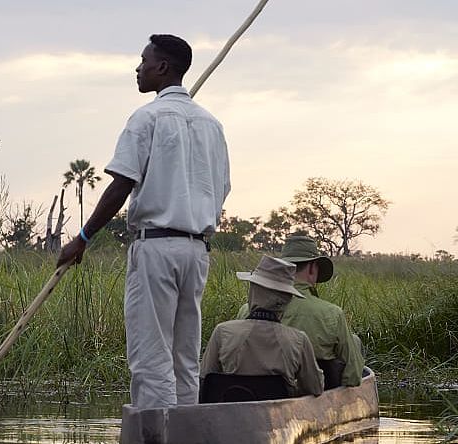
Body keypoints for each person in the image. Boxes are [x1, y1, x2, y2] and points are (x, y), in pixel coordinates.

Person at [57, 34, 231, 409]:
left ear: (162, 67)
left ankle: (158, 434)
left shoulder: (147, 117)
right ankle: (186, 431)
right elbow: (222, 189)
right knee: (184, 357)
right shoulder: (211, 125)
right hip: (197, 250)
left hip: (156, 249)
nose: (138, 68)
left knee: (152, 357)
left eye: (143, 60)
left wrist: (83, 238)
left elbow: (121, 185)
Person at [236, 235, 365, 387]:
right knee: (354, 341)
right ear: (312, 268)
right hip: (312, 391)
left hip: (250, 389)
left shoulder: (246, 311)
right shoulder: (332, 314)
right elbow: (353, 376)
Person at [201, 255, 324, 397]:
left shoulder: (223, 332)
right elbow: (315, 388)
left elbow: (204, 381)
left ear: (253, 291)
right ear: (287, 298)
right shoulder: (298, 341)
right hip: (277, 417)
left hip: (229, 415)